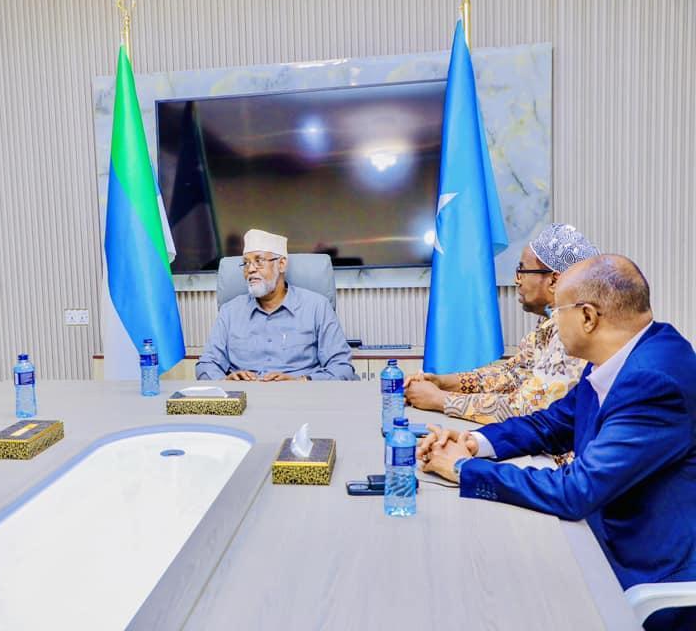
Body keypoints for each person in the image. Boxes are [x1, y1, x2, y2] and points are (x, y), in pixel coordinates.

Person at [418, 255, 696, 631]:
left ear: (587, 317)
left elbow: (577, 490)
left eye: (557, 310)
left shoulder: (653, 380)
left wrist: (463, 469)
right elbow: (552, 423)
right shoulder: (622, 355)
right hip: (605, 532)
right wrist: (473, 443)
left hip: (645, 568)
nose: (552, 320)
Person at [405, 223, 599, 426]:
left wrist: (439, 399)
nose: (517, 280)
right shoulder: (550, 324)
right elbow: (512, 375)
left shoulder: (575, 332)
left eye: (522, 271)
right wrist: (442, 382)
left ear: (553, 281)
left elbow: (526, 408)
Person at [196, 229, 357, 381]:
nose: (250, 269)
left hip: (300, 397)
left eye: (259, 261)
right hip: (245, 396)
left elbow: (342, 368)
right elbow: (206, 365)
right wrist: (226, 380)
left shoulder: (317, 307)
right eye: (245, 263)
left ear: (281, 264)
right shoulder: (230, 312)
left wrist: (300, 381)